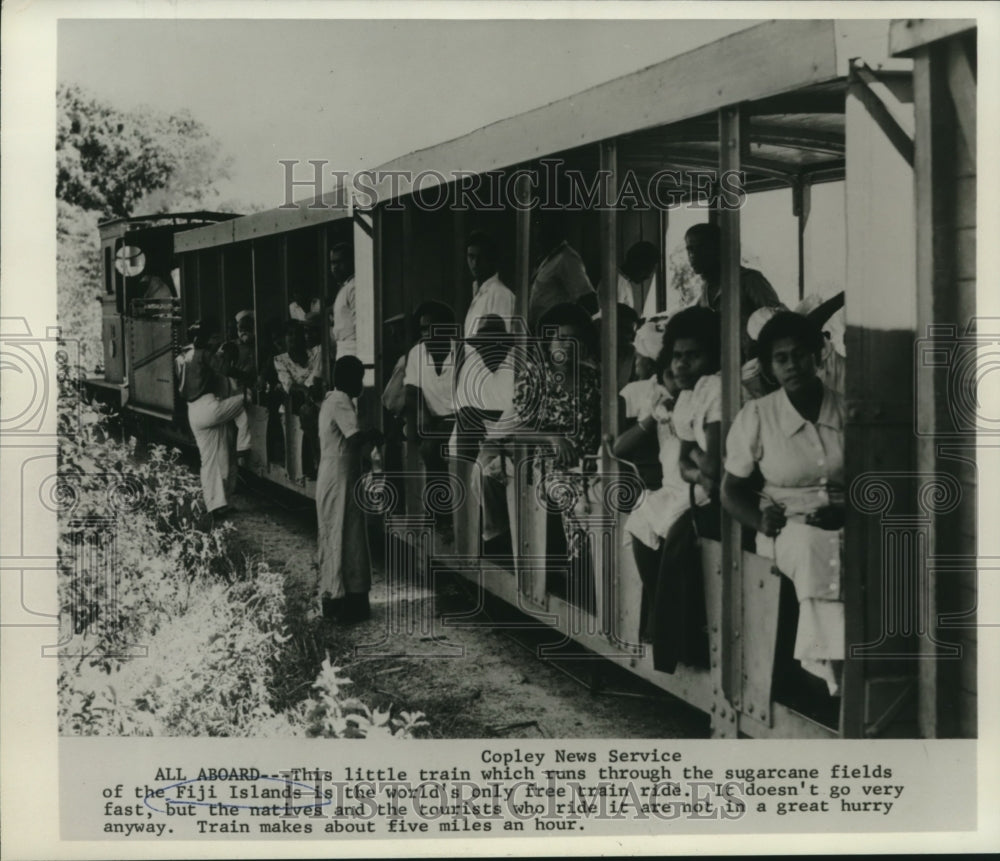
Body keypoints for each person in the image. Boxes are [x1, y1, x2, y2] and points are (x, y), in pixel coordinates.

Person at [721, 311, 845, 699]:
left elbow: (874, 480)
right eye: (781, 358)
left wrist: (851, 508)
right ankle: (836, 675)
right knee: (812, 549)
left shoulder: (846, 410)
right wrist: (761, 521)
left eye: (799, 354)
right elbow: (730, 490)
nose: (792, 365)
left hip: (847, 521)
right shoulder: (758, 415)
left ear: (817, 355)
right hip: (787, 529)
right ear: (771, 368)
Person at [650, 306, 722, 672]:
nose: (682, 365)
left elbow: (713, 466)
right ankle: (669, 640)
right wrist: (698, 462)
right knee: (654, 527)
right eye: (677, 356)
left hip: (732, 495)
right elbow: (687, 465)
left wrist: (697, 460)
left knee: (681, 535)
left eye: (693, 356)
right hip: (703, 491)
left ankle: (683, 647)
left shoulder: (716, 387)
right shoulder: (690, 394)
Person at [316, 355, 383, 624]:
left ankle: (352, 598)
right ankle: (339, 600)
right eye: (359, 379)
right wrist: (374, 435)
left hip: (342, 476)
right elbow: (354, 438)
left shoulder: (333, 399)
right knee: (340, 535)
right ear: (349, 379)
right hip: (338, 477)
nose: (362, 385)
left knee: (348, 536)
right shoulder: (340, 400)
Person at [177, 318, 249, 521]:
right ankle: (245, 442)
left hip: (193, 411)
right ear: (205, 338)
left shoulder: (183, 355)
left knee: (208, 461)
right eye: (214, 337)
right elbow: (226, 370)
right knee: (245, 400)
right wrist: (247, 376)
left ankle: (216, 504)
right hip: (209, 406)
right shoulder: (204, 354)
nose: (217, 340)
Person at [460, 315, 517, 555]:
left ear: (502, 343)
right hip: (495, 439)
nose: (485, 352)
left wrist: (476, 413)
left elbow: (515, 413)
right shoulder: (482, 373)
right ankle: (491, 531)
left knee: (488, 472)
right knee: (477, 470)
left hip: (518, 437)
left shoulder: (516, 367)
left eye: (491, 345)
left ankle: (498, 535)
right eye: (481, 348)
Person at [404, 301, 458, 541]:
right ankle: (433, 511)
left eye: (432, 328)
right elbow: (411, 389)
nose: (426, 334)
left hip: (457, 419)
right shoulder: (417, 353)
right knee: (417, 440)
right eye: (423, 329)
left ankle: (443, 518)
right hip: (433, 418)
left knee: (432, 447)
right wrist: (422, 414)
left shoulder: (461, 352)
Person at [685, 223, 780, 358]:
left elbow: (779, 321)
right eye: (690, 249)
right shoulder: (705, 290)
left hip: (752, 367)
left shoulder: (749, 280)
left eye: (701, 248)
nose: (693, 255)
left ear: (718, 249)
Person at [527, 221, 598, 331]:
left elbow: (590, 303)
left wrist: (565, 328)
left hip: (554, 333)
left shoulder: (567, 259)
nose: (536, 233)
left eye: (540, 226)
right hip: (539, 332)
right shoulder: (547, 258)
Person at [273, 321, 323, 479]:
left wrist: (310, 388)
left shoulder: (316, 352)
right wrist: (304, 390)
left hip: (316, 399)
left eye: (297, 334)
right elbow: (288, 385)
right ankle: (314, 463)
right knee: (307, 412)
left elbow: (318, 377)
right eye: (290, 334)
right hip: (295, 404)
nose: (293, 338)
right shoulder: (280, 359)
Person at [328, 241, 357, 360]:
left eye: (339, 262)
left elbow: (360, 325)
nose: (335, 267)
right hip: (342, 351)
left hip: (353, 352)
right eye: (332, 263)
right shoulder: (345, 287)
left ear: (351, 261)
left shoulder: (354, 286)